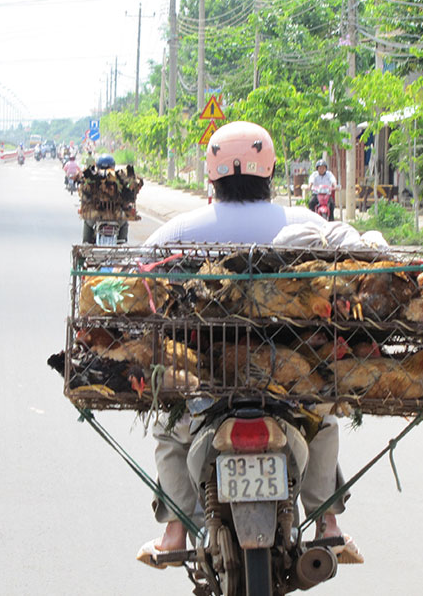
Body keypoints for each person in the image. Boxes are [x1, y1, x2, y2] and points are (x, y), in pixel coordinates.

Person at [136, 121, 362, 568]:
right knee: (324, 422)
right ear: (270, 173)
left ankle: (174, 530)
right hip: (290, 378)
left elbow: (139, 278)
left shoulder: (179, 229)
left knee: (169, 431)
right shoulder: (306, 223)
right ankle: (328, 527)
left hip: (209, 376)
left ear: (212, 175)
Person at [82, 154, 129, 244]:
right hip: (116, 217)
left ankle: (86, 244)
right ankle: (122, 242)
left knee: (87, 221)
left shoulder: (93, 180)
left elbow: (86, 196)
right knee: (124, 222)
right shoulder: (120, 180)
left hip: (97, 216)